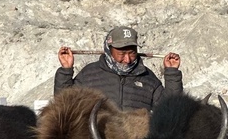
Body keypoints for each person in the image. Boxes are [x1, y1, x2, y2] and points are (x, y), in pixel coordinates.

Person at [54, 26, 182, 110]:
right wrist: (66, 70)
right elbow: (63, 102)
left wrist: (171, 73)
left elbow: (170, 108)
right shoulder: (89, 74)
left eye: (132, 53)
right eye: (121, 54)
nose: (127, 60)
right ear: (108, 50)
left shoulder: (148, 78)